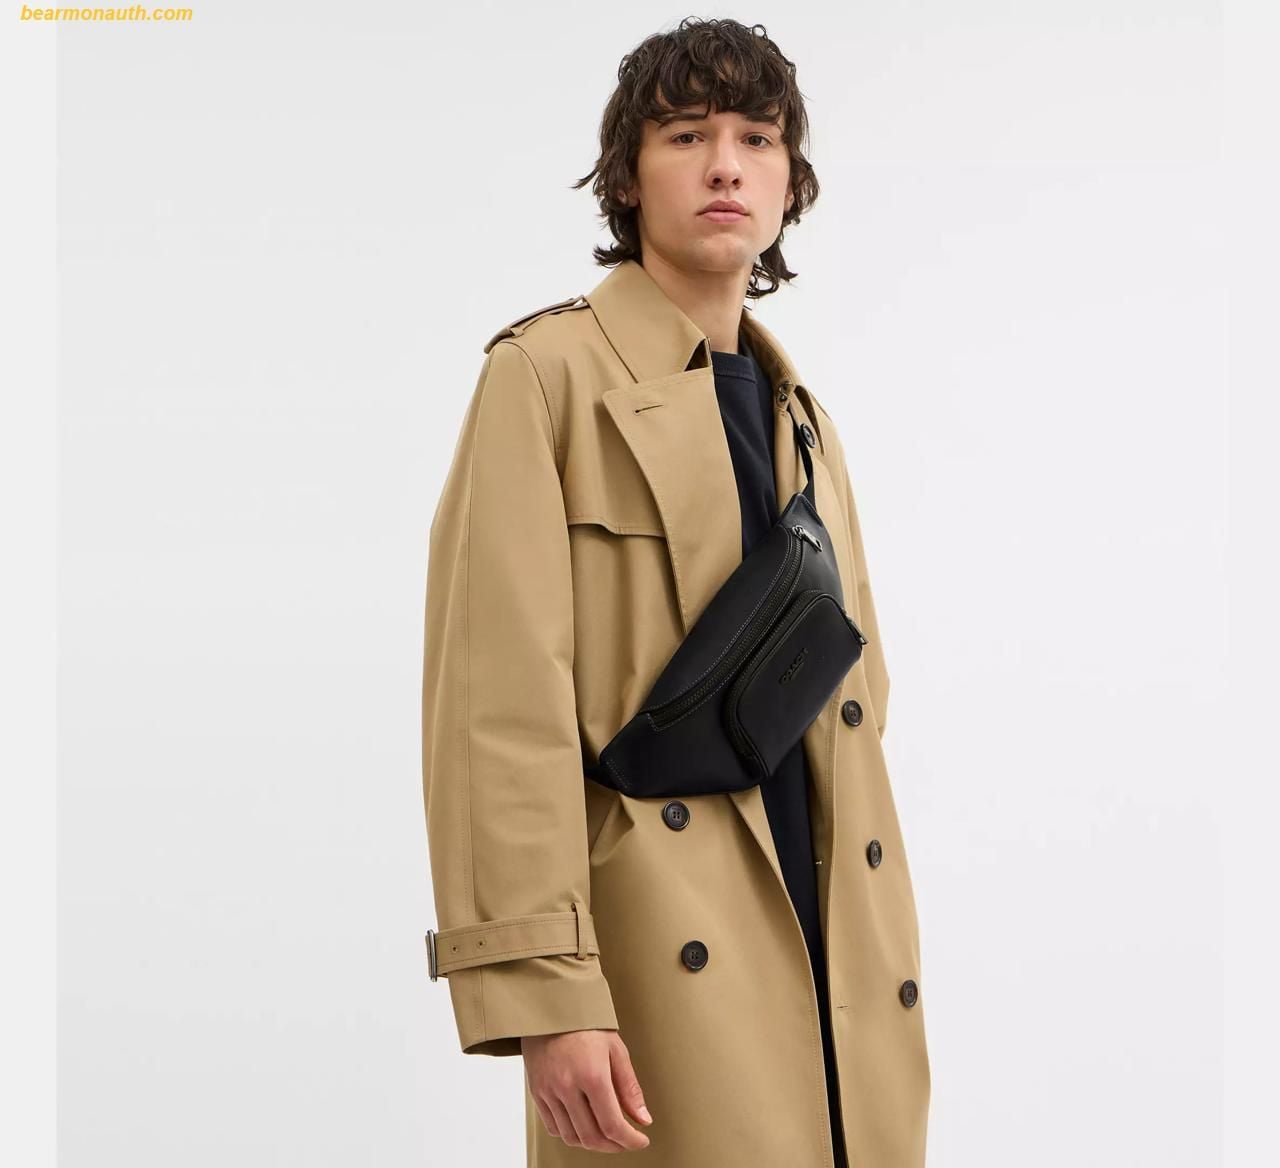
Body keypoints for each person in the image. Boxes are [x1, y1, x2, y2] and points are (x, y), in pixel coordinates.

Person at [421, 17, 930, 1167]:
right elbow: (497, 708)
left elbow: (857, 718)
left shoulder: (806, 422)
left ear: (789, 181)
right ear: (626, 175)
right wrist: (547, 990)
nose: (724, 166)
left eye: (756, 138)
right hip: (657, 952)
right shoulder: (542, 379)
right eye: (686, 134)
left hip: (840, 959)